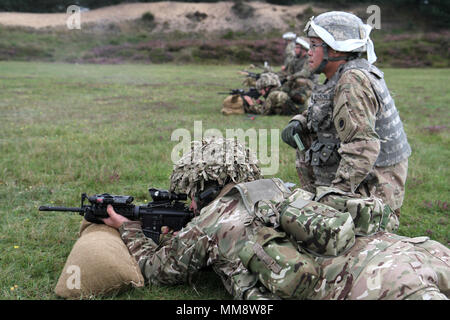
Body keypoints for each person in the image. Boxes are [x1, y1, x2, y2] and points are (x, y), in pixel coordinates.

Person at [102, 137, 449, 300]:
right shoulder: (281, 187)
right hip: (419, 252)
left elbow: (156, 271)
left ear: (202, 185)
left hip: (378, 286)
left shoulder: (209, 224)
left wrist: (128, 229)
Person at [281, 12, 411, 222]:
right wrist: (301, 120)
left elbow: (363, 147)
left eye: (314, 45)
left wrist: (332, 197)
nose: (308, 52)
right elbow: (328, 111)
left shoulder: (352, 81)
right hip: (367, 178)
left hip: (374, 189)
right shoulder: (343, 75)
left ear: (334, 49)